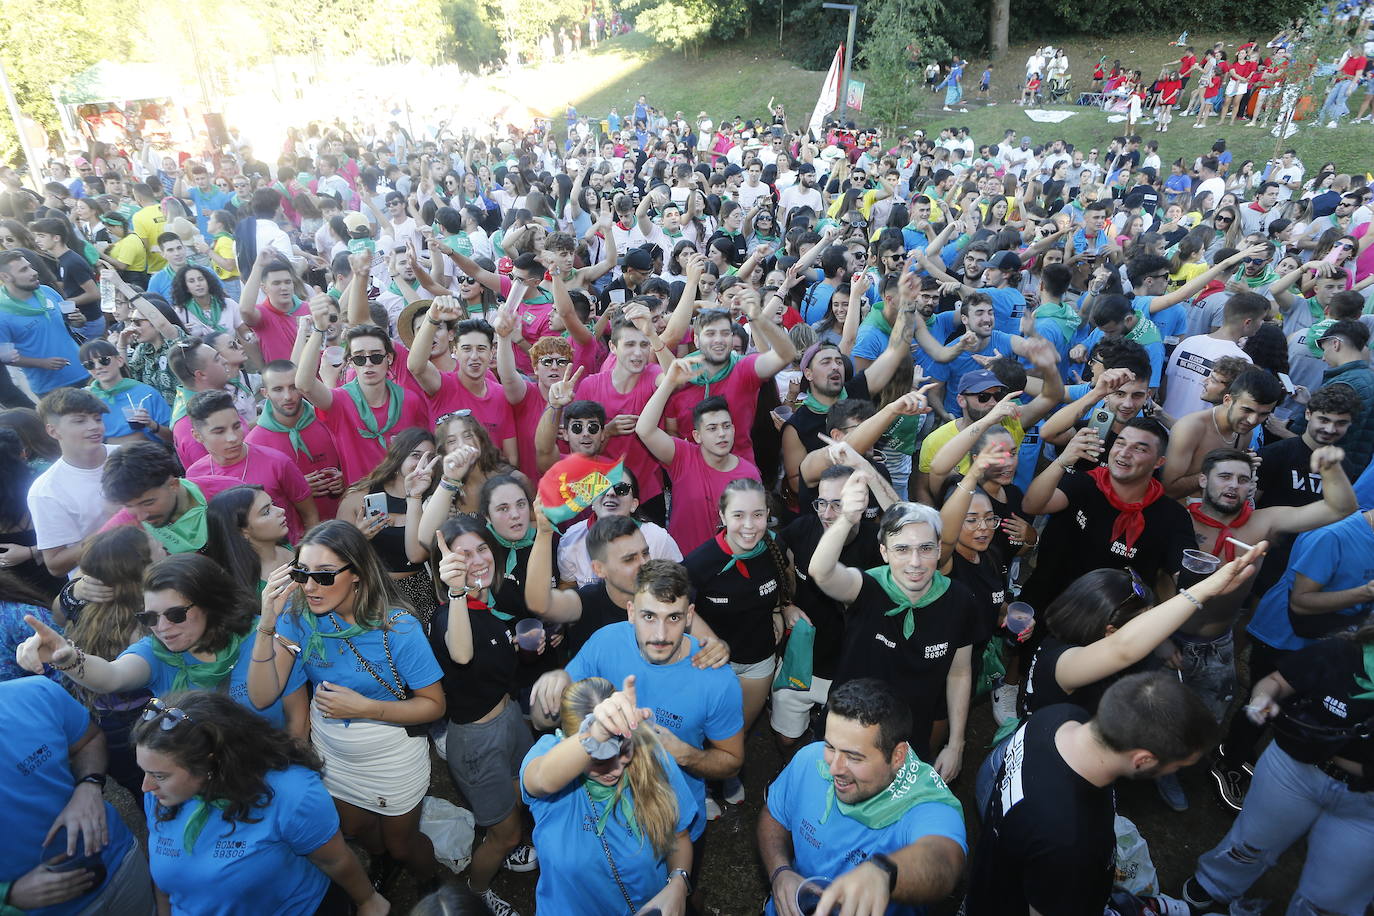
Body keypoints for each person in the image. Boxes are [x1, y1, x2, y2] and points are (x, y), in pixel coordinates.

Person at [249, 520, 447, 888]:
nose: (310, 586)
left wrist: (365, 708)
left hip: (391, 754)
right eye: (302, 573)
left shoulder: (398, 628)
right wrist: (267, 623)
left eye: (324, 576)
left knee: (402, 845)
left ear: (356, 573)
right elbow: (262, 695)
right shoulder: (297, 618)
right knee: (356, 829)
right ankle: (383, 861)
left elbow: (434, 706)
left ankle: (430, 883)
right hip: (335, 753)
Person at [965, 672, 1219, 916]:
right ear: (1143, 760)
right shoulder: (1071, 843)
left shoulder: (1062, 718)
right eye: (1178, 766)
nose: (1175, 771)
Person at [133, 691, 388, 915]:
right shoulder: (158, 794)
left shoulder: (290, 792)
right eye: (144, 772)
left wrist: (367, 901)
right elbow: (165, 881)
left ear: (210, 763)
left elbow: (334, 860)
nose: (145, 787)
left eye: (159, 775)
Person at [1181, 622, 1374, 916]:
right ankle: (1212, 885)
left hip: (1366, 808)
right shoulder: (1344, 650)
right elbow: (1277, 681)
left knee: (1331, 901)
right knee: (1250, 843)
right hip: (1295, 771)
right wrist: (1263, 699)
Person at [18, 551, 308, 730]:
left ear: (210, 604)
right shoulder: (156, 653)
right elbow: (111, 677)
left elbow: (296, 713)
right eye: (150, 618)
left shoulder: (263, 634)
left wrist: (294, 771)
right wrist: (69, 658)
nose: (162, 628)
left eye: (176, 614)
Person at [810, 475, 975, 776]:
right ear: (884, 552)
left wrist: (956, 744)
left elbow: (960, 671)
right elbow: (821, 573)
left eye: (925, 548)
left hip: (907, 739)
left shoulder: (959, 600)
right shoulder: (867, 587)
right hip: (846, 732)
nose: (915, 562)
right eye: (902, 549)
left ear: (939, 549)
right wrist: (847, 519)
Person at [758, 678, 966, 916]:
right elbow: (774, 815)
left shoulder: (926, 803)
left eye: (854, 757)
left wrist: (884, 874)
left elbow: (944, 861)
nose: (834, 768)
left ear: (897, 756)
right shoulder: (810, 759)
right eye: (830, 746)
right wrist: (780, 872)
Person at [519, 675, 698, 916]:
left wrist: (678, 882)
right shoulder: (549, 756)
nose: (615, 770)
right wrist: (595, 735)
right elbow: (540, 778)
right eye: (599, 760)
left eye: (624, 751)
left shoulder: (652, 757)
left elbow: (680, 836)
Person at [429, 515, 535, 916]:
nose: (478, 560)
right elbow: (461, 653)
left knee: (519, 798)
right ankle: (475, 891)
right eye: (464, 555)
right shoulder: (450, 614)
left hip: (509, 722)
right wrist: (455, 592)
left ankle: (500, 837)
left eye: (482, 549)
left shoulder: (486, 603)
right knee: (505, 836)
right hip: (477, 742)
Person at [0, 676, 155, 915]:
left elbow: (89, 739)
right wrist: (7, 894)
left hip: (119, 860)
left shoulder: (33, 692)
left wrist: (89, 785)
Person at [1021, 418, 1193, 608]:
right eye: (1120, 443)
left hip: (1113, 626)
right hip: (1046, 607)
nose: (1125, 453)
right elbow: (1031, 506)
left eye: (1140, 449)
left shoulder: (1173, 516)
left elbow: (1186, 576)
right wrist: (1062, 461)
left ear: (1158, 462)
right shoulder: (1085, 482)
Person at [294, 299, 430, 484]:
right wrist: (319, 330)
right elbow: (303, 384)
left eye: (375, 357)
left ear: (388, 358)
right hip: (360, 503)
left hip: (407, 495)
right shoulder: (341, 400)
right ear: (349, 361)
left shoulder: (410, 401)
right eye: (359, 358)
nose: (368, 364)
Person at [636, 359, 762, 552]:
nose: (721, 434)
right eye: (712, 428)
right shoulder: (682, 456)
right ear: (697, 435)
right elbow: (644, 429)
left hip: (728, 565)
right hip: (683, 563)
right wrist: (670, 382)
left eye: (726, 426)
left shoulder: (749, 474)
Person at [186, 389, 319, 543]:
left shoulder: (277, 462)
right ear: (197, 435)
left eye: (236, 426)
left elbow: (310, 515)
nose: (233, 438)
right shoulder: (195, 476)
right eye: (219, 432)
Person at [336, 428, 441, 622]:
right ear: (398, 455)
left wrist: (415, 497)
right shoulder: (360, 495)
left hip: (417, 590)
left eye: (429, 458)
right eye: (416, 455)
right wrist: (359, 537)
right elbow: (335, 554)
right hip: (371, 590)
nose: (421, 464)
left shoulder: (434, 502)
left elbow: (418, 555)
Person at [27, 388, 117, 577]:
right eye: (79, 421)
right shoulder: (46, 490)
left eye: (98, 418)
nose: (94, 426)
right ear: (53, 430)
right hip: (103, 580)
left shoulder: (127, 455)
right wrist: (115, 525)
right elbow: (56, 564)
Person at [99, 441, 242, 554]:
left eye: (148, 503)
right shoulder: (130, 519)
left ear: (173, 485)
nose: (141, 517)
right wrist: (79, 585)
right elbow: (92, 553)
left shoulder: (230, 491)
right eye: (128, 505)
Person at [246, 360, 346, 522]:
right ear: (265, 393)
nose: (288, 396)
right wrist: (294, 489)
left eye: (293, 387)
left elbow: (354, 461)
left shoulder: (327, 421)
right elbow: (257, 502)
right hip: (297, 535)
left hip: (344, 521)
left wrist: (345, 477)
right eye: (278, 389)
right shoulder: (254, 442)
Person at [0, 249, 88, 395]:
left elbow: (73, 323)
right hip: (51, 388)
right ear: (5, 276)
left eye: (30, 266)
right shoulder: (3, 314)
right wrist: (41, 363)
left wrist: (79, 320)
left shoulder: (47, 291)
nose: (33, 272)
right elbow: (6, 357)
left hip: (85, 370)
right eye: (24, 270)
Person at [79, 338, 173, 445]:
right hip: (106, 457)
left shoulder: (146, 393)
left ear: (119, 361)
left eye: (104, 360)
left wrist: (152, 425)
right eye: (90, 364)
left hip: (148, 455)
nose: (98, 367)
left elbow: (173, 437)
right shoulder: (84, 399)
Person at [206, 485, 294, 595]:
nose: (281, 510)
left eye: (273, 504)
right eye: (266, 512)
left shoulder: (288, 546)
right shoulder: (244, 588)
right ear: (242, 531)